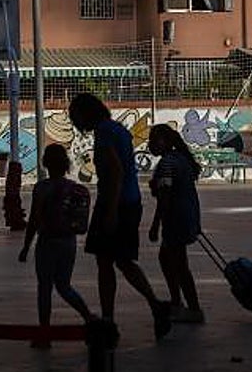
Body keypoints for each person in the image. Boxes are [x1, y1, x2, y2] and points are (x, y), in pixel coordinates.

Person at [68, 93, 172, 340]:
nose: (74, 120)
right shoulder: (118, 130)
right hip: (130, 201)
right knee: (123, 261)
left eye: (75, 115)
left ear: (84, 114)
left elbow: (115, 171)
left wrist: (111, 211)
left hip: (115, 203)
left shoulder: (104, 133)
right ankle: (155, 306)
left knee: (105, 263)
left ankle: (108, 319)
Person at [19, 144, 93, 348]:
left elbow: (34, 220)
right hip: (68, 242)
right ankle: (88, 317)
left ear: (45, 163)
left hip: (47, 243)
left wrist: (26, 247)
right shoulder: (74, 188)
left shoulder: (42, 188)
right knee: (64, 286)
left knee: (45, 288)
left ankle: (45, 333)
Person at [147, 123, 204, 323]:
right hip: (187, 216)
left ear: (166, 142)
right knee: (168, 258)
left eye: (154, 140)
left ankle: (192, 308)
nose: (150, 144)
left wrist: (155, 225)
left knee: (179, 264)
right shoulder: (181, 159)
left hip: (175, 219)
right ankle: (177, 302)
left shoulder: (167, 164)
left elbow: (165, 197)